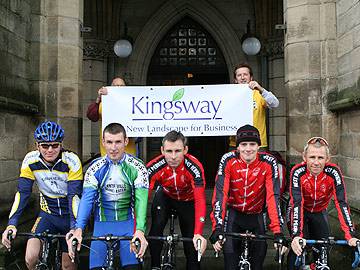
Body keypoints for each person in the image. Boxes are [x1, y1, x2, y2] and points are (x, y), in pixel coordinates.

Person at [1, 121, 83, 270]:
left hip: (69, 215)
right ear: (37, 145)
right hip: (48, 214)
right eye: (45, 146)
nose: (50, 150)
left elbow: (74, 197)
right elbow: (23, 193)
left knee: (67, 265)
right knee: (30, 258)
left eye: (55, 145)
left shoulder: (71, 160)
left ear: (61, 144)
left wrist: (74, 227)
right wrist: (12, 223)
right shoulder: (30, 160)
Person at [67, 123, 148, 270]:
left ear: (126, 141)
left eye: (118, 142)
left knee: (132, 268)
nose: (113, 147)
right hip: (101, 226)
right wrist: (79, 229)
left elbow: (141, 201)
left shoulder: (138, 167)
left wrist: (140, 230)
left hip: (128, 225)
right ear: (103, 142)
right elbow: (87, 199)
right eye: (109, 142)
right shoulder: (95, 167)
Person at [210, 124, 285, 270]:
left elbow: (272, 196)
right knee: (230, 264)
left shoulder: (269, 162)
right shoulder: (228, 160)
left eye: (252, 144)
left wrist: (278, 230)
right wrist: (217, 227)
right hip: (234, 215)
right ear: (237, 147)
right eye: (243, 144)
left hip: (257, 215)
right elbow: (221, 194)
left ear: (259, 146)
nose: (248, 148)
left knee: (257, 264)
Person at [288, 137, 359, 269]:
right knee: (297, 249)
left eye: (320, 158)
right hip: (299, 210)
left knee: (323, 249)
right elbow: (297, 203)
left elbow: (341, 203)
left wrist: (350, 235)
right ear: (304, 157)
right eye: (312, 157)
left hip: (319, 211)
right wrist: (297, 235)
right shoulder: (298, 171)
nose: (316, 162)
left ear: (327, 159)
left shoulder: (333, 172)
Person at [147, 130, 207, 270]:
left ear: (185, 150)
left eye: (177, 151)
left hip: (188, 200)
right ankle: (155, 265)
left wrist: (198, 232)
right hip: (166, 196)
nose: (173, 156)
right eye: (169, 151)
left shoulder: (195, 167)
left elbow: (200, 200)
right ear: (162, 150)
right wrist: (138, 229)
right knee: (156, 229)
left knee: (190, 242)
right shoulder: (154, 166)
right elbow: (142, 199)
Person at [229, 63, 279, 149]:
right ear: (235, 80)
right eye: (239, 75)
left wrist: (261, 89)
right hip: (236, 144)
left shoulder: (259, 94)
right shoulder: (229, 96)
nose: (242, 77)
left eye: (245, 74)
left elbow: (275, 104)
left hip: (258, 143)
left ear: (251, 78)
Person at [87, 77, 138, 156]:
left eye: (122, 86)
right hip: (108, 153)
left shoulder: (133, 104)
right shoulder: (103, 103)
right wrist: (98, 99)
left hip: (129, 153)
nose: (119, 88)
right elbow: (91, 116)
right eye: (116, 86)